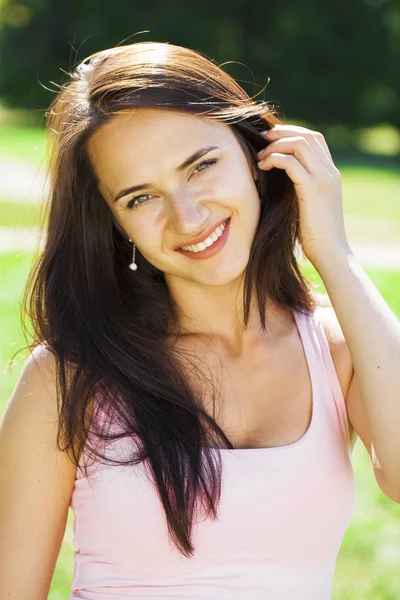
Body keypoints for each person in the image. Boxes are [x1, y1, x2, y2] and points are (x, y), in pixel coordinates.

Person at [0, 41, 361, 599]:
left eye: (202, 165)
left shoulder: (338, 350)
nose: (187, 217)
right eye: (141, 198)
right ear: (115, 223)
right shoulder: (68, 379)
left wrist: (333, 254)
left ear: (256, 153)